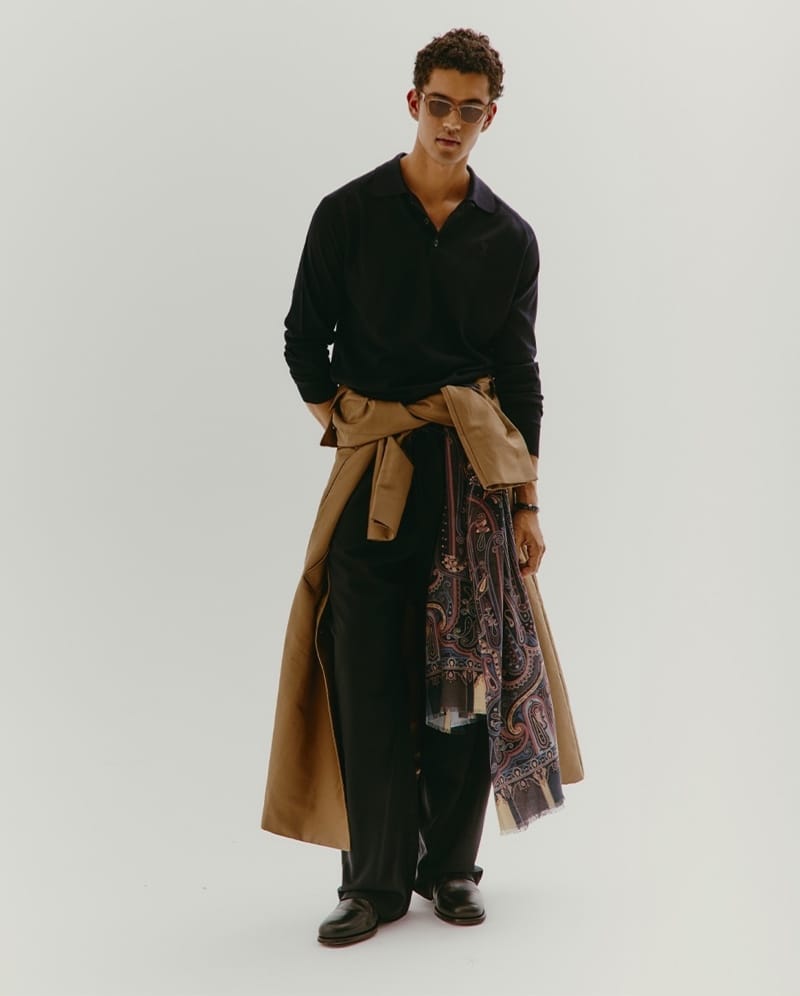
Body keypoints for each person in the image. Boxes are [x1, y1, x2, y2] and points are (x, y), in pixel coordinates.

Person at [264, 26, 584, 947]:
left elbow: (519, 378)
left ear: (490, 117)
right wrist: (352, 423)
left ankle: (449, 869)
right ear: (414, 103)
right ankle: (370, 882)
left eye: (469, 111)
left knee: (461, 685)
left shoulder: (508, 236)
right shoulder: (349, 213)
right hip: (375, 478)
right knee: (365, 675)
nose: (451, 123)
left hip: (473, 486)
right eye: (438, 105)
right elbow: (302, 340)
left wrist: (526, 503)